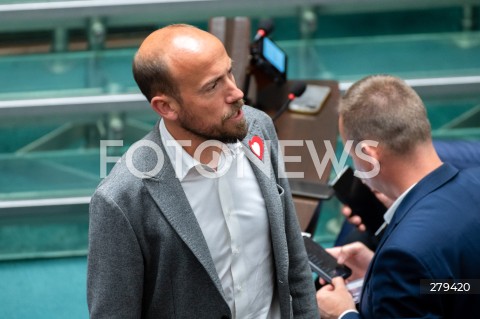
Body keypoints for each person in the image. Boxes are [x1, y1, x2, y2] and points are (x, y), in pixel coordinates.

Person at [87, 24, 319, 318]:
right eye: (212, 86)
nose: (236, 93)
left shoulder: (258, 128)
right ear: (166, 107)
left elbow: (292, 256)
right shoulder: (121, 200)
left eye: (230, 73)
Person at [316, 74, 480, 319]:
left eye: (352, 154)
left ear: (370, 156)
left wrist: (343, 313)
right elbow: (465, 287)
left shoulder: (403, 252)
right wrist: (377, 271)